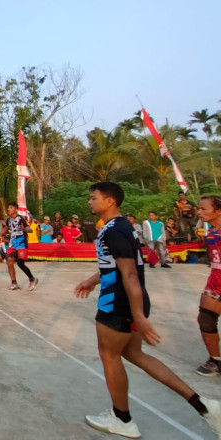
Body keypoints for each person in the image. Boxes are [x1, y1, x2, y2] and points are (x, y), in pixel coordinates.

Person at [75, 181, 221, 438]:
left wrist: (138, 315)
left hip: (117, 303)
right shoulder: (122, 227)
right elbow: (117, 265)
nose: (90, 201)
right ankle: (202, 405)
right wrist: (93, 280)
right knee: (135, 354)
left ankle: (122, 419)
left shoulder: (114, 230)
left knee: (109, 355)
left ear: (109, 201)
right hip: (129, 301)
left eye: (93, 197)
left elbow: (130, 274)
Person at [195, 196, 221, 377]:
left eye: (204, 209)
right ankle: (215, 361)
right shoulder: (211, 231)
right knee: (205, 319)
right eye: (199, 208)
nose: (199, 212)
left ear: (218, 211)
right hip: (215, 279)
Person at [0, 203, 39, 291]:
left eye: (11, 208)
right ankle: (14, 283)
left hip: (21, 244)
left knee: (20, 264)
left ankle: (32, 279)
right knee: (9, 261)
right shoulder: (8, 219)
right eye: (8, 207)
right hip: (12, 244)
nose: (9, 209)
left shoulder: (21, 219)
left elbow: (29, 229)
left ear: (16, 209)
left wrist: (24, 229)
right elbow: (6, 228)